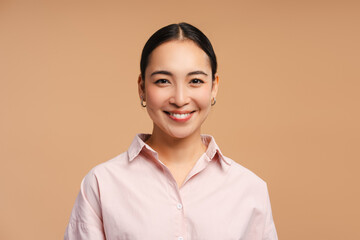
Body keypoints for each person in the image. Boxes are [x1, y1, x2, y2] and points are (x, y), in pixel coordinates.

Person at [64, 22, 278, 240]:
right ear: (142, 88)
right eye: (163, 81)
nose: (180, 99)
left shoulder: (250, 189)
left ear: (214, 87)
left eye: (195, 80)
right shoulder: (101, 185)